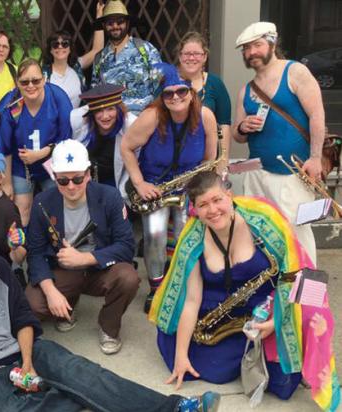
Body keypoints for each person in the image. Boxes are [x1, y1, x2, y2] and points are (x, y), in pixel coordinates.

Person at [0, 212, 221, 412]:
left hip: (20, 349)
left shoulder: (0, 267)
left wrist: (28, 362)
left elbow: (22, 318)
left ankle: (177, 409)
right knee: (15, 411)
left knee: (86, 374)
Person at [149, 170, 340, 412]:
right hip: (218, 312)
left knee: (284, 382)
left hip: (269, 306)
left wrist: (276, 321)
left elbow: (296, 271)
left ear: (229, 195)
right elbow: (191, 300)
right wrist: (181, 355)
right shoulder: (193, 236)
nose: (213, 210)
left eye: (217, 199)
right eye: (203, 204)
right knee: (212, 370)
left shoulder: (264, 217)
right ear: (195, 209)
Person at [25, 140, 138, 355]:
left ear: (88, 174)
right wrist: (51, 293)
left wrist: (85, 259)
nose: (71, 186)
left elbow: (126, 246)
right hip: (64, 270)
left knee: (128, 277)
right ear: (54, 178)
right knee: (33, 303)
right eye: (63, 180)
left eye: (77, 178)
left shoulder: (110, 196)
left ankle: (109, 327)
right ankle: (67, 304)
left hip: (100, 268)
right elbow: (35, 252)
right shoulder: (42, 202)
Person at [120, 63, 217, 313]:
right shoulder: (152, 116)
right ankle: (157, 288)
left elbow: (208, 161)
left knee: (187, 234)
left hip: (188, 187)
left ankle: (182, 284)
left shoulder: (205, 116)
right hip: (156, 187)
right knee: (154, 234)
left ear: (191, 92)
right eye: (168, 93)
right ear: (161, 97)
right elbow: (126, 147)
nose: (175, 97)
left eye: (181, 91)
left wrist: (199, 192)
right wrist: (140, 183)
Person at [232, 22, 325, 264]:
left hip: (293, 173)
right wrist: (243, 127)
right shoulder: (246, 90)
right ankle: (273, 291)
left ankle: (306, 297)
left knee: (298, 236)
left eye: (257, 45)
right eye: (246, 49)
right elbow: (237, 135)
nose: (251, 52)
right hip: (256, 174)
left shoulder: (295, 72)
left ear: (272, 43)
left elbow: (317, 114)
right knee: (260, 235)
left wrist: (315, 158)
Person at [0, 58, 73, 226]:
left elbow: (67, 139)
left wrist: (43, 153)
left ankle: (55, 249)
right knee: (22, 210)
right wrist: (6, 184)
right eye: (24, 81)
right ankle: (23, 251)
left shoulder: (58, 98)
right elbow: (3, 146)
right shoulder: (10, 104)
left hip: (52, 162)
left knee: (56, 208)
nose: (30, 86)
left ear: (44, 79)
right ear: (17, 83)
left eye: (36, 80)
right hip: (21, 166)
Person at [91, 0, 162, 115]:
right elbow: (96, 94)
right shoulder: (100, 58)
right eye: (110, 23)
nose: (115, 26)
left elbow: (160, 86)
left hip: (142, 119)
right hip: (111, 122)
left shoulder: (146, 49)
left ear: (127, 23)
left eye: (120, 22)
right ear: (104, 26)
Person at [176, 32, 231, 168]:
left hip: (208, 159)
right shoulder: (169, 83)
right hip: (174, 159)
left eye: (197, 54)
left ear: (205, 57)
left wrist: (222, 164)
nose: (191, 58)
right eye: (186, 53)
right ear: (179, 56)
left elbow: (224, 125)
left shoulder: (215, 83)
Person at [71, 83, 136, 195]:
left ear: (119, 109)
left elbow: (134, 166)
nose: (105, 116)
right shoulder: (76, 120)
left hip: (116, 181)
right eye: (99, 111)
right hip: (85, 182)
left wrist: (120, 195)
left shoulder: (131, 125)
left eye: (110, 109)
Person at [41, 2, 105, 108]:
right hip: (54, 122)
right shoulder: (43, 73)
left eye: (65, 44)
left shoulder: (77, 66)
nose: (60, 47)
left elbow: (97, 49)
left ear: (70, 48)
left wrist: (99, 17)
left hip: (77, 120)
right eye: (55, 44)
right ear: (50, 50)